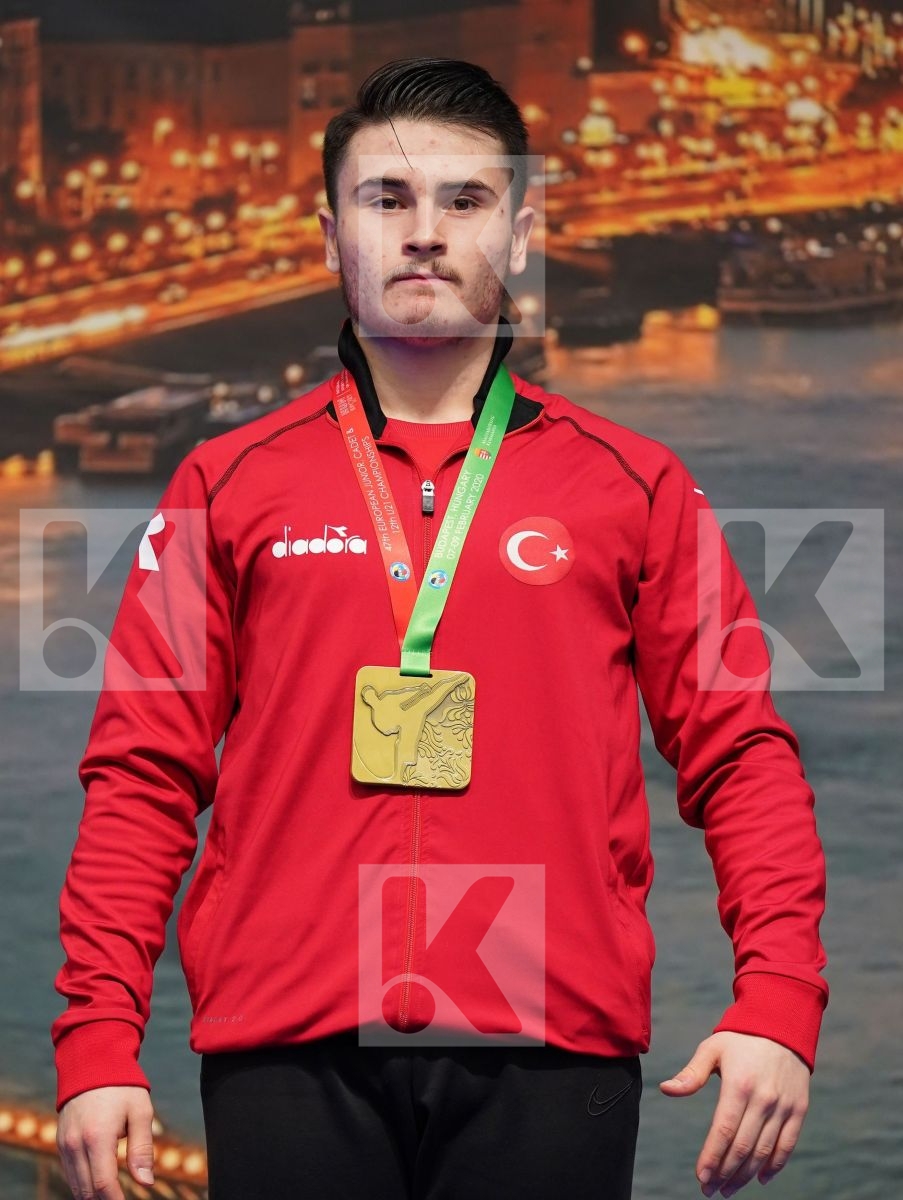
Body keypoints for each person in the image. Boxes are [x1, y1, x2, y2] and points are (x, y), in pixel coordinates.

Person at [52, 57, 829, 1200]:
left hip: (553, 1039)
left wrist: (778, 1001)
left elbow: (742, 754)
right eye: (388, 199)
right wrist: (96, 1038)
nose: (425, 232)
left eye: (465, 199)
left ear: (521, 233)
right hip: (288, 1043)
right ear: (332, 236)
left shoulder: (636, 487)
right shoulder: (223, 484)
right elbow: (142, 775)